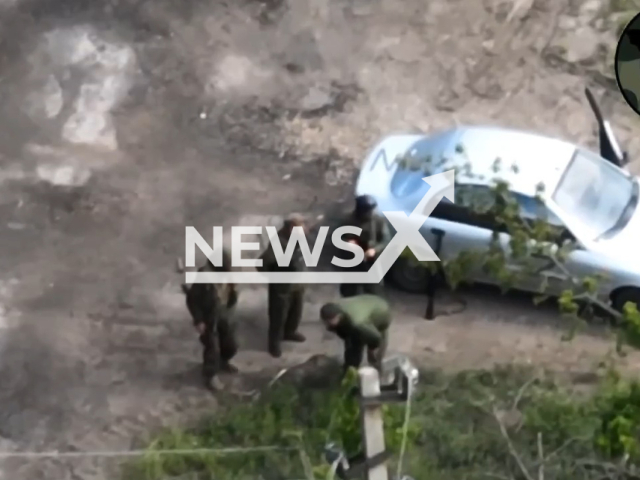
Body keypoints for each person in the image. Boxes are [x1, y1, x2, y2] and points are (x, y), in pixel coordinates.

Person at [182, 249, 239, 391]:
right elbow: (192, 300)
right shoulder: (204, 277)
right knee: (212, 348)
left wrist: (234, 291)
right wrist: (198, 320)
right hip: (208, 319)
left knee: (231, 345)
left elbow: (231, 297)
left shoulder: (228, 276)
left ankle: (222, 362)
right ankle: (210, 375)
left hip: (223, 315)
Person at [258, 214, 308, 358]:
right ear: (291, 227)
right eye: (300, 227)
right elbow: (261, 263)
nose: (304, 230)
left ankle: (290, 332)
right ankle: (274, 343)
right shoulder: (279, 242)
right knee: (278, 316)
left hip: (298, 284)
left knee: (295, 311)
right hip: (282, 287)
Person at [319, 294, 391, 375]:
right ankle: (350, 369)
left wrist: (371, 349)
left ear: (338, 316)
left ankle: (377, 373)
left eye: (329, 321)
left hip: (381, 312)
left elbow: (376, 337)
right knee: (353, 346)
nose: (327, 324)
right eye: (325, 321)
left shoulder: (357, 323)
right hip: (365, 303)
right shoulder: (337, 311)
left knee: (374, 354)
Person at [337, 194, 392, 298]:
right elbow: (337, 236)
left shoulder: (378, 221)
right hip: (352, 261)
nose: (370, 213)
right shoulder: (348, 220)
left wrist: (375, 249)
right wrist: (347, 242)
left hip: (371, 262)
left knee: (373, 292)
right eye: (367, 211)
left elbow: (386, 239)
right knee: (349, 292)